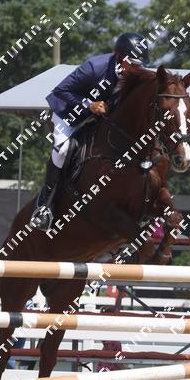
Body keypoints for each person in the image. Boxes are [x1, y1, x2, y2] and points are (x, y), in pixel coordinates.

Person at [30, 32, 151, 231]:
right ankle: (44, 206)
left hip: (97, 119)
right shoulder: (95, 67)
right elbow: (61, 91)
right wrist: (88, 105)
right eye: (135, 64)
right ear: (120, 57)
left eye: (141, 65)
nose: (138, 69)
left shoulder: (134, 77)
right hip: (68, 115)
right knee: (62, 150)